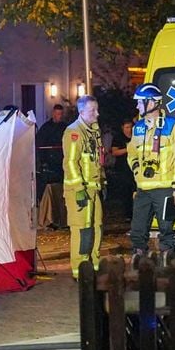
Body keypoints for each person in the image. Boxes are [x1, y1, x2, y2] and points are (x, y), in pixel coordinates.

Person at [127, 84, 175, 256]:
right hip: (143, 189)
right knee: (137, 230)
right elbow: (132, 153)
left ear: (152, 103)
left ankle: (167, 263)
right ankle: (139, 263)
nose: (137, 106)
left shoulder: (173, 126)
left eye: (140, 102)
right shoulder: (138, 127)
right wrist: (137, 169)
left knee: (166, 230)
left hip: (165, 188)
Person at [62, 96, 105, 278]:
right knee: (83, 229)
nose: (97, 114)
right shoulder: (74, 132)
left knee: (97, 226)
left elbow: (97, 161)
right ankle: (80, 270)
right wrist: (79, 188)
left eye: (96, 109)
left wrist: (102, 181)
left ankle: (93, 266)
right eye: (92, 111)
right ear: (81, 112)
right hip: (80, 191)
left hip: (93, 189)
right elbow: (70, 163)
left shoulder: (93, 131)